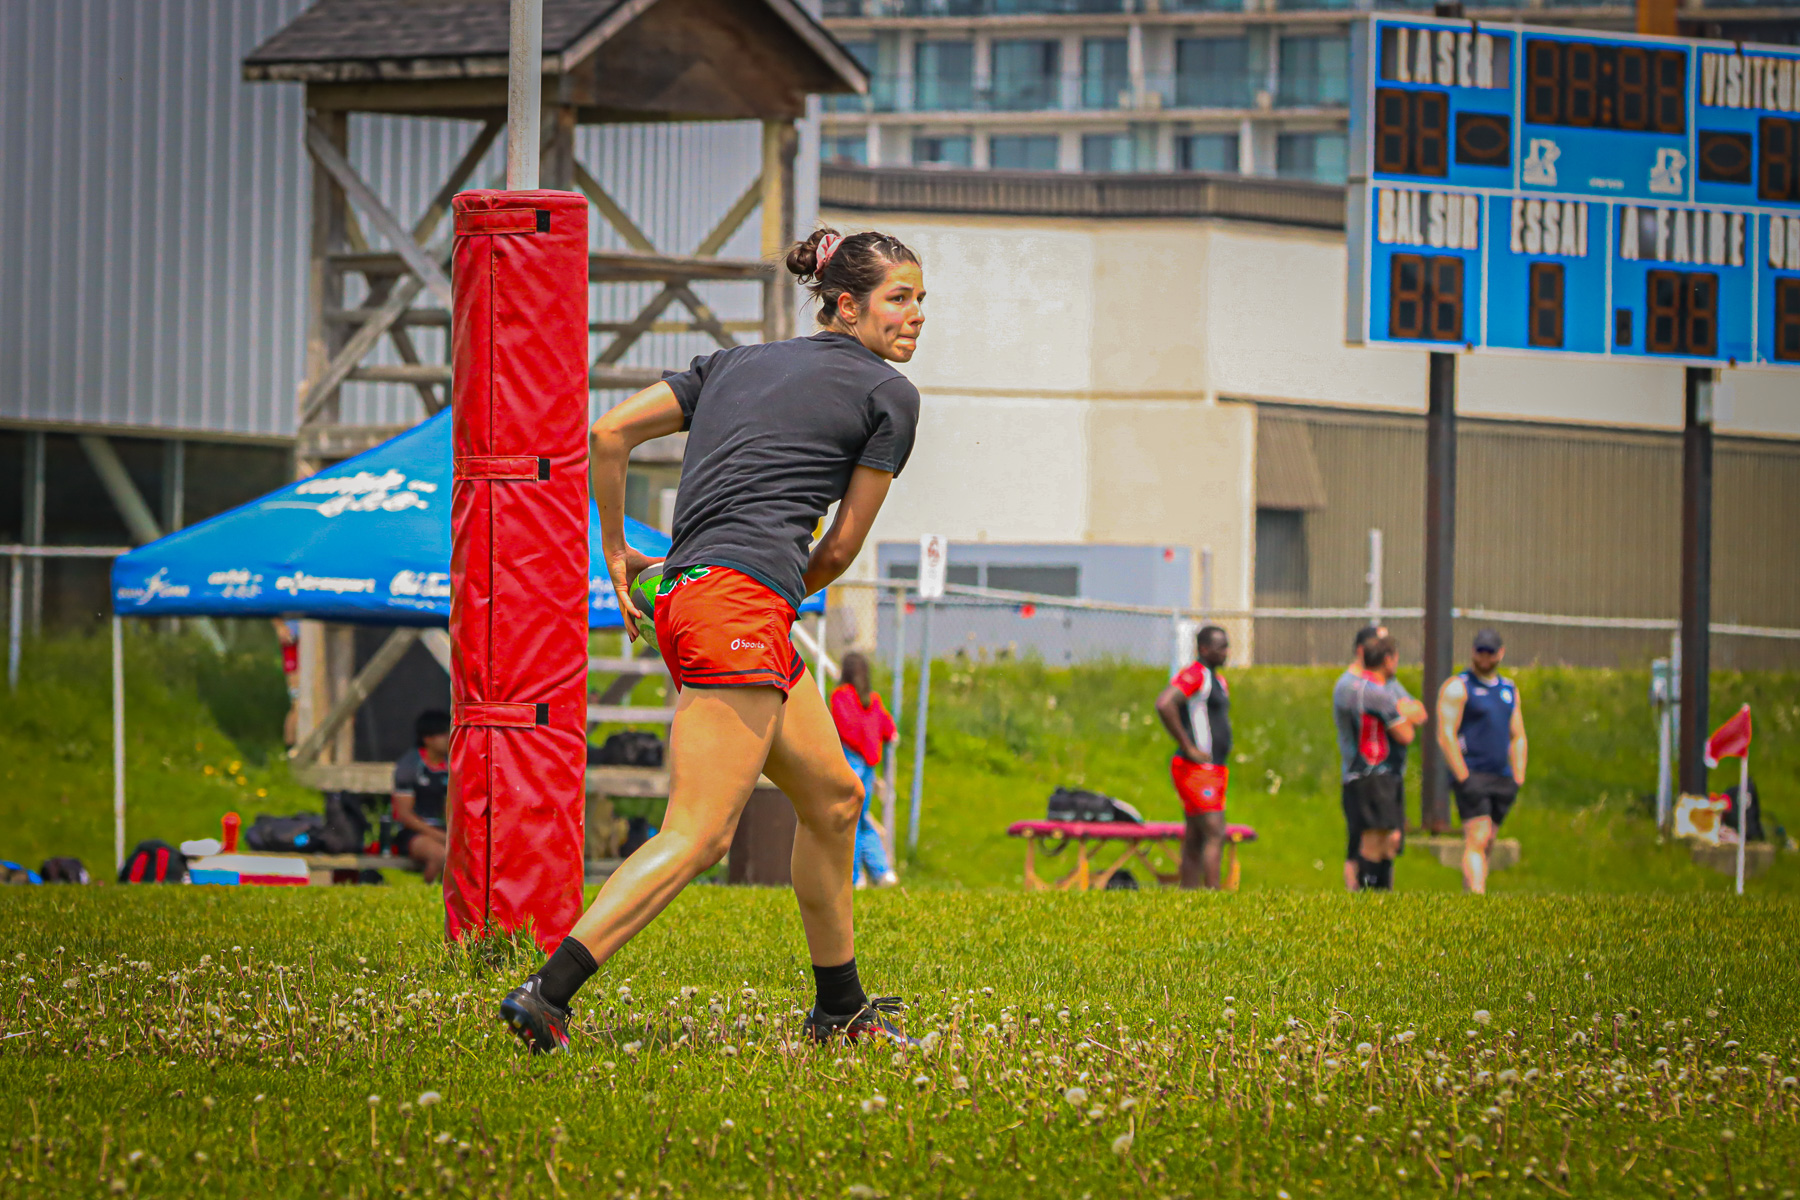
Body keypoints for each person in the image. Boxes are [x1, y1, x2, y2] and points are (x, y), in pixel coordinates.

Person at [498, 226, 925, 1053]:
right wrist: (754, 597)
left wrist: (619, 550)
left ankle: (840, 1010)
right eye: (899, 299)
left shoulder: (733, 364)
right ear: (847, 304)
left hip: (697, 594)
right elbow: (836, 551)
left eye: (920, 301)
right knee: (699, 833)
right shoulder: (890, 396)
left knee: (835, 801)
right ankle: (547, 996)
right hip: (739, 606)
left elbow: (609, 434)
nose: (914, 318)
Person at [1436, 628, 1527, 894]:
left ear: (1500, 653)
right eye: (1480, 651)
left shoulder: (1508, 689)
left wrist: (1518, 775)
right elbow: (1446, 734)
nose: (1484, 657)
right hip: (1472, 773)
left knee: (1488, 840)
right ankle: (1478, 897)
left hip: (1501, 776)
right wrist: (1463, 776)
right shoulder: (1459, 686)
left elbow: (1518, 735)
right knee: (1478, 836)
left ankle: (1472, 893)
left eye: (1490, 652)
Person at [1336, 625, 1424, 891]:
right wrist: (1401, 713)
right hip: (1370, 775)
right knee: (1371, 843)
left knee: (1387, 840)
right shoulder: (1367, 690)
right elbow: (1407, 732)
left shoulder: (1381, 687)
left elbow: (1419, 711)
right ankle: (1368, 897)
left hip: (1384, 776)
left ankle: (1380, 897)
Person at [1156, 625, 1231, 890]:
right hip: (1197, 768)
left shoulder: (1217, 680)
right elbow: (1165, 703)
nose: (1226, 652)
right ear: (1204, 649)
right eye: (1221, 647)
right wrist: (1188, 746)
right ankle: (1213, 898)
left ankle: (1188, 895)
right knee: (1215, 831)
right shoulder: (1196, 674)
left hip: (1214, 769)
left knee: (1196, 836)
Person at [829, 651, 899, 889]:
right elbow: (888, 726)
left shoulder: (841, 697)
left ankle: (854, 877)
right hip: (869, 765)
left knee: (852, 821)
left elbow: (844, 727)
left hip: (851, 763)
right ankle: (882, 872)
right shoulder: (873, 699)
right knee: (862, 818)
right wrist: (879, 742)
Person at [391, 709, 450, 883]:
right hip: (410, 833)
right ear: (428, 738)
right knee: (440, 855)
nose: (450, 738)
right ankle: (427, 895)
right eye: (445, 733)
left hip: (440, 830)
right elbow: (404, 815)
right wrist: (439, 836)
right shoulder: (410, 766)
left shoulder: (451, 764)